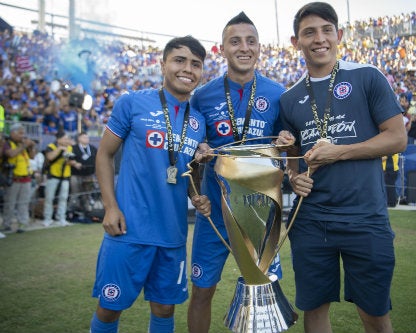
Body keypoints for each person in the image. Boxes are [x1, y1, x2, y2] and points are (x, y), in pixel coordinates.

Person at [277, 2, 407, 332]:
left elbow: (396, 138)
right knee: (315, 310)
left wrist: (338, 153)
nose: (319, 38)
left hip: (365, 218)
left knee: (375, 313)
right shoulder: (289, 98)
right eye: (309, 32)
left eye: (326, 30)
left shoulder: (367, 76)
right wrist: (294, 178)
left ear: (339, 35)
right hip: (311, 220)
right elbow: (293, 157)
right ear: (296, 42)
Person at [89, 36, 211, 333]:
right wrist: (110, 207)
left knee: (164, 308)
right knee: (109, 307)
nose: (187, 69)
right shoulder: (132, 102)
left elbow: (187, 172)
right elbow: (104, 155)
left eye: (195, 64)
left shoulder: (198, 121)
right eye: (179, 60)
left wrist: (198, 193)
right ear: (163, 64)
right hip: (129, 228)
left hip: (172, 233)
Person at [187, 12, 285, 333]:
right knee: (202, 292)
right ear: (222, 49)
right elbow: (193, 154)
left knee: (263, 292)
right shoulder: (202, 96)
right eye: (235, 41)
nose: (244, 47)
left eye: (251, 41)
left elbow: (288, 148)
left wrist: (287, 144)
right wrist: (198, 171)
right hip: (215, 214)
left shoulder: (279, 94)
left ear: (260, 47)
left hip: (260, 215)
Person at [1, 123, 36, 233]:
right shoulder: (7, 143)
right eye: (20, 133)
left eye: (23, 133)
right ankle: (7, 224)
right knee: (9, 203)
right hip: (13, 178)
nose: (23, 136)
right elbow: (10, 154)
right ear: (13, 133)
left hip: (26, 177)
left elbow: (32, 156)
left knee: (23, 203)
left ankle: (22, 223)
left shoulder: (23, 144)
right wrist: (24, 146)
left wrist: (31, 146)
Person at [42, 130, 81, 227]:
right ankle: (47, 218)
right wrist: (60, 148)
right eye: (65, 138)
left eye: (67, 138)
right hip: (53, 175)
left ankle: (61, 218)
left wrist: (73, 162)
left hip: (65, 175)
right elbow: (50, 157)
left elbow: (69, 160)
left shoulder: (70, 148)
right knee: (49, 198)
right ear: (58, 139)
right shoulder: (51, 146)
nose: (67, 140)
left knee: (63, 198)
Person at [69, 132, 98, 215]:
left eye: (87, 137)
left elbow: (97, 160)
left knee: (87, 194)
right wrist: (75, 163)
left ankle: (87, 211)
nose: (87, 139)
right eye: (84, 137)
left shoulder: (93, 148)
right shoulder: (73, 148)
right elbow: (69, 159)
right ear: (79, 139)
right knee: (75, 193)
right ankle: (71, 211)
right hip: (76, 175)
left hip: (89, 175)